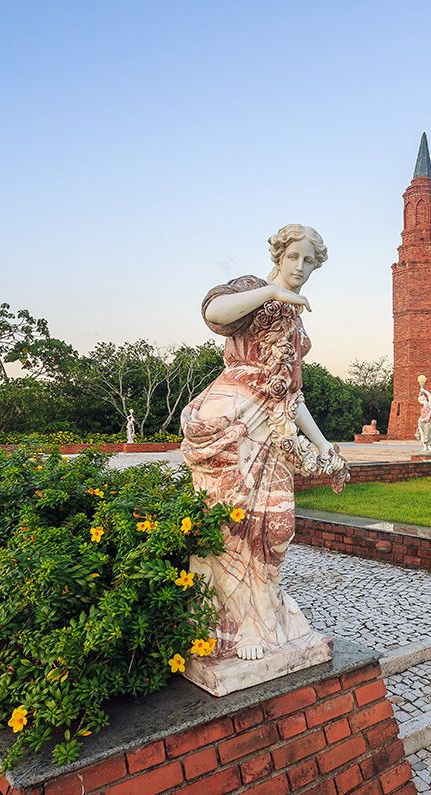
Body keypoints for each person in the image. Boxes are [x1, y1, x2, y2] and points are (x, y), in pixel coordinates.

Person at [181, 223, 349, 663]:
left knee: (275, 527)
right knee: (230, 527)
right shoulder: (253, 290)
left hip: (272, 427)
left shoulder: (295, 324)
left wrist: (323, 444)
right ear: (278, 256)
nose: (300, 267)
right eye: (293, 257)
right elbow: (213, 312)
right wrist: (271, 294)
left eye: (309, 261)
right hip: (231, 420)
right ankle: (240, 625)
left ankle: (263, 614)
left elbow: (292, 395)